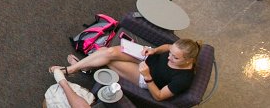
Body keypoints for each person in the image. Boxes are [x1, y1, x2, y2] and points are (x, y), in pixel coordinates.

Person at [60, 38, 204, 102]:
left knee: (110, 60)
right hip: (145, 56)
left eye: (175, 58)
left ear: (188, 60)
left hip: (145, 76)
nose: (169, 57)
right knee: (108, 51)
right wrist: (155, 50)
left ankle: (70, 70)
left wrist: (147, 76)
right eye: (171, 53)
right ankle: (78, 68)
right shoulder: (177, 50)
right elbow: (167, 46)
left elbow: (159, 96)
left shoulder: (183, 79)